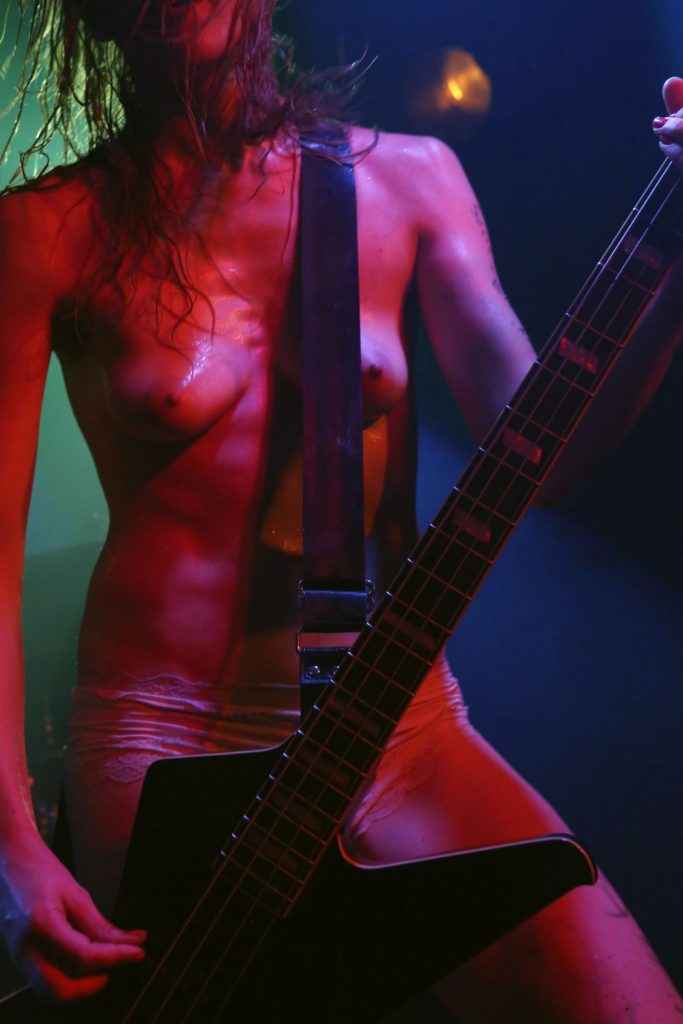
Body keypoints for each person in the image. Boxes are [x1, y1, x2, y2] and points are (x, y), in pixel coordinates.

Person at [0, 1, 681, 1018]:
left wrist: (672, 260)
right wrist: (11, 850)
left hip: (399, 726)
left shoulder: (410, 179)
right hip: (162, 739)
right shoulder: (46, 227)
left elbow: (543, 454)